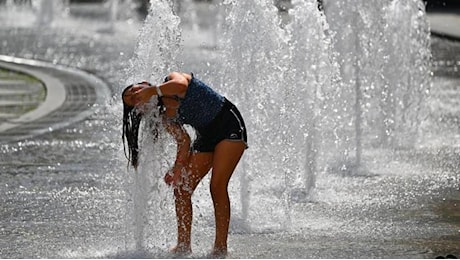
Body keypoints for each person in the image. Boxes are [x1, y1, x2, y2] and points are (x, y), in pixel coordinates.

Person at [121, 72, 248, 257]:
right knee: (181, 189)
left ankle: (220, 248)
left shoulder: (171, 79)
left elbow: (181, 86)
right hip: (206, 135)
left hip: (229, 125)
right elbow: (184, 141)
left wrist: (153, 90)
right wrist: (177, 168)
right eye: (133, 100)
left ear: (144, 84)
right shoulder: (164, 116)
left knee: (217, 186)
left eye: (134, 90)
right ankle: (183, 245)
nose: (136, 95)